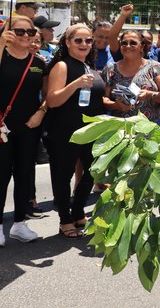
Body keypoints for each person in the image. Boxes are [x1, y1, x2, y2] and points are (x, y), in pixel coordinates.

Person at [45, 23, 106, 238]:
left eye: (88, 40)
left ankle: (78, 212)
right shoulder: (62, 66)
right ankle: (65, 220)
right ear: (68, 42)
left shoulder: (89, 66)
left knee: (93, 171)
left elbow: (97, 98)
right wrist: (76, 84)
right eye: (78, 40)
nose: (84, 44)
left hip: (91, 131)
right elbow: (52, 100)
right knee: (63, 175)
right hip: (65, 130)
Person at [0, 16, 47, 245]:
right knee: (1, 176)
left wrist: (41, 112)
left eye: (30, 32)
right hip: (2, 127)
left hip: (29, 127)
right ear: (8, 32)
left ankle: (19, 223)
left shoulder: (39, 62)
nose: (26, 36)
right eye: (19, 31)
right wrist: (0, 44)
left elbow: (47, 94)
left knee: (24, 175)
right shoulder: (2, 56)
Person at [101, 29, 160, 125]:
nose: (128, 46)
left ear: (142, 46)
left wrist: (149, 94)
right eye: (124, 43)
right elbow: (103, 98)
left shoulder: (154, 67)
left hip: (148, 127)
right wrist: (116, 105)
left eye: (133, 43)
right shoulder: (110, 69)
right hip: (119, 128)